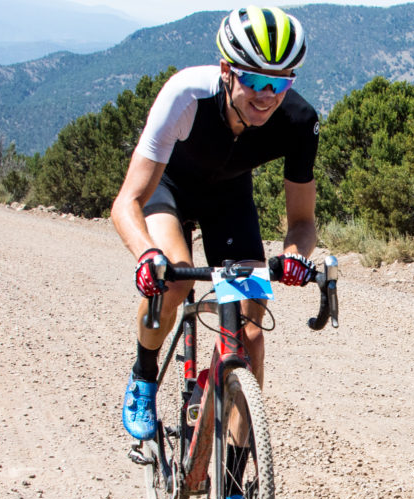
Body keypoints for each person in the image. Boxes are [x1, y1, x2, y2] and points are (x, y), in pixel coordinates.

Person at [113, 6, 321, 441]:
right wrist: (146, 255)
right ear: (227, 70)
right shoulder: (186, 95)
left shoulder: (298, 122)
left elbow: (302, 222)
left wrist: (295, 257)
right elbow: (127, 201)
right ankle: (143, 376)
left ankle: (239, 485)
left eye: (280, 83)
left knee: (251, 335)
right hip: (167, 189)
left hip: (228, 198)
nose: (267, 95)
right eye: (255, 81)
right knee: (174, 281)